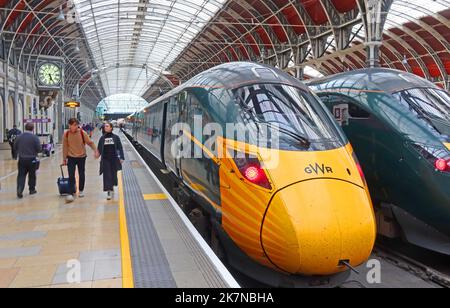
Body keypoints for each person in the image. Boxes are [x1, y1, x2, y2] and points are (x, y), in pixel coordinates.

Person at [63, 118, 97, 203]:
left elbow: (90, 142)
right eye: (73, 125)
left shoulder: (82, 133)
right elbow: (65, 147)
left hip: (81, 157)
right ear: (69, 125)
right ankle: (71, 192)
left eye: (76, 125)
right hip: (71, 157)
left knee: (81, 173)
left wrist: (96, 150)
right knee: (71, 175)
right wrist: (64, 159)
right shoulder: (66, 134)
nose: (75, 127)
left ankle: (81, 190)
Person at [95, 122, 124, 200]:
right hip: (105, 160)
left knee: (113, 175)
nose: (105, 127)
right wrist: (97, 155)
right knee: (107, 175)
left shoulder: (116, 137)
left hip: (114, 159)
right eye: (105, 126)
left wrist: (121, 157)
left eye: (107, 126)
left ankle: (112, 186)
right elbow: (99, 148)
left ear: (111, 128)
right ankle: (109, 191)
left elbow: (120, 148)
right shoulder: (102, 138)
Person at [14, 123, 41, 199]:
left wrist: (20, 152)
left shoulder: (19, 137)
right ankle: (32, 189)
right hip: (32, 159)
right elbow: (39, 148)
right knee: (32, 175)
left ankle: (20, 189)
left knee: (21, 175)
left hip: (22, 159)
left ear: (25, 128)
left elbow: (15, 146)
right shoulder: (34, 137)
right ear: (33, 129)